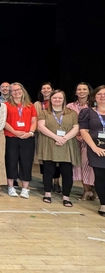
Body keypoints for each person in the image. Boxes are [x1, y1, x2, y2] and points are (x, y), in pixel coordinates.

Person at [37, 90, 80, 207]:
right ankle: (47, 193)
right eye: (54, 98)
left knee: (66, 172)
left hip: (67, 144)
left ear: (64, 99)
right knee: (48, 170)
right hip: (50, 143)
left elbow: (76, 128)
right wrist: (56, 137)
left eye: (60, 98)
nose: (57, 100)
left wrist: (64, 138)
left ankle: (66, 196)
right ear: (50, 99)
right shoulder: (44, 112)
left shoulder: (72, 113)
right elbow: (40, 126)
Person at [4, 82, 37, 198]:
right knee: (11, 161)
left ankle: (25, 188)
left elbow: (34, 121)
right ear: (10, 93)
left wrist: (30, 133)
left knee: (26, 162)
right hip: (11, 137)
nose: (16, 92)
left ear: (23, 91)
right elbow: (4, 122)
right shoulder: (6, 105)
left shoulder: (30, 105)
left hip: (27, 138)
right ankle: (11, 187)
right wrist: (15, 132)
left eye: (18, 90)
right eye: (13, 90)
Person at [79, 85, 105, 217]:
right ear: (95, 97)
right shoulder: (87, 112)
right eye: (99, 94)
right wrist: (94, 147)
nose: (102, 96)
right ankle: (103, 204)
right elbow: (83, 130)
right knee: (100, 177)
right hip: (96, 149)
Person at [67, 82, 95, 201]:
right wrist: (76, 134)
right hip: (74, 140)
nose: (82, 91)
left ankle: (94, 190)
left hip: (91, 140)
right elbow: (67, 122)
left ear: (89, 91)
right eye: (79, 89)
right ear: (75, 92)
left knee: (91, 166)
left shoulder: (94, 106)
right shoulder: (70, 106)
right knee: (80, 166)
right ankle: (87, 190)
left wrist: (85, 135)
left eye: (84, 89)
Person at [35, 82, 62, 192]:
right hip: (42, 135)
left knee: (57, 159)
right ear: (41, 91)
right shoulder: (38, 104)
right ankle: (47, 182)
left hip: (57, 135)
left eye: (48, 88)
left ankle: (57, 182)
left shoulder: (58, 103)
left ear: (52, 89)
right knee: (45, 158)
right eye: (43, 88)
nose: (45, 90)